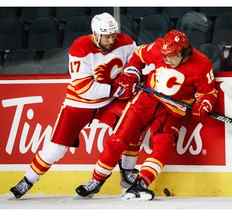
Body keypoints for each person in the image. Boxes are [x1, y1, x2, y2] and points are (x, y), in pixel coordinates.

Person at [75, 29, 218, 200]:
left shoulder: (202, 63)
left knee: (163, 144)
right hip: (146, 99)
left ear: (183, 52)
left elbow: (208, 92)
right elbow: (137, 56)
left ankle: (141, 183)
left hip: (171, 110)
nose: (165, 59)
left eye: (171, 55)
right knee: (119, 138)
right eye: (164, 55)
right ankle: (96, 181)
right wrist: (132, 75)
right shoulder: (158, 48)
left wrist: (204, 104)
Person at [9, 12, 140, 199]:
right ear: (96, 34)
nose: (112, 39)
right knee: (56, 148)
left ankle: (127, 175)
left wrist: (132, 75)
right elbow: (83, 88)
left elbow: (136, 62)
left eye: (113, 35)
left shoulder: (125, 42)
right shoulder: (80, 48)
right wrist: (117, 90)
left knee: (132, 126)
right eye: (107, 36)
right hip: (79, 103)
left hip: (109, 103)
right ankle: (28, 180)